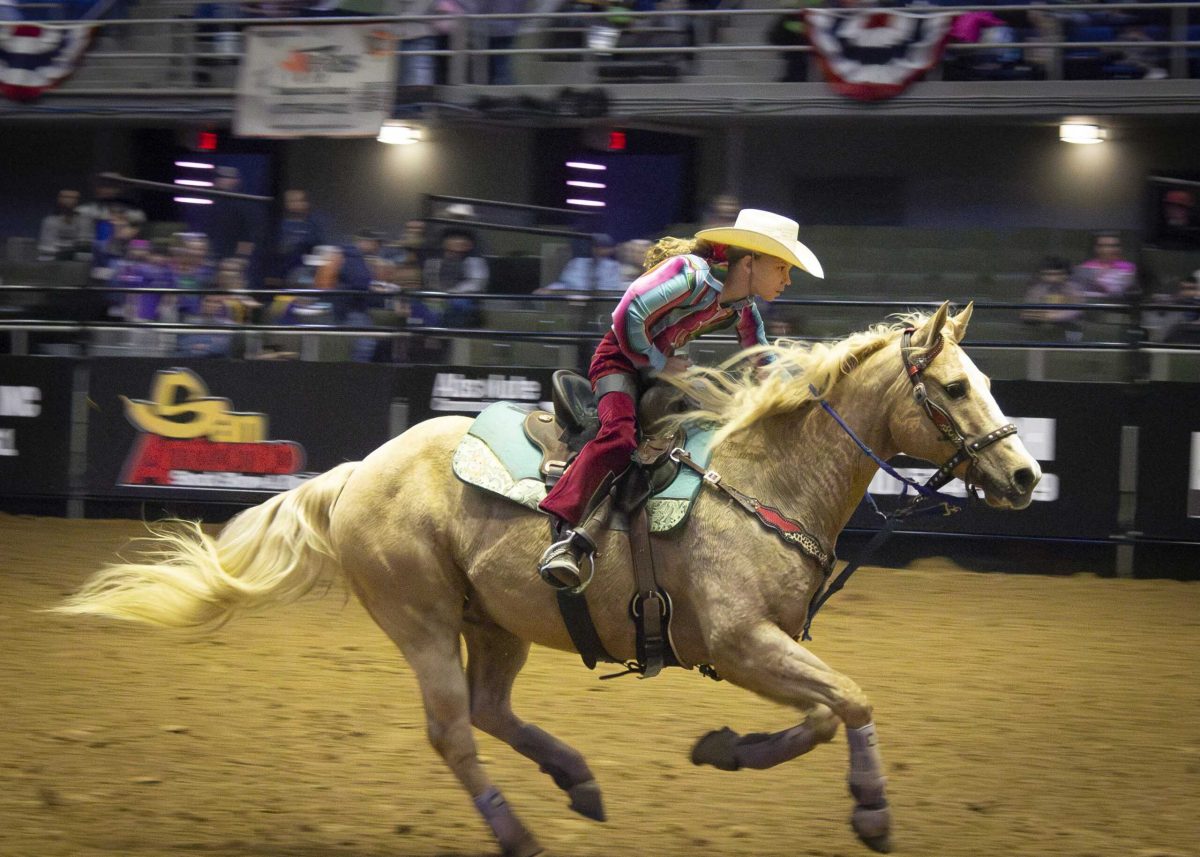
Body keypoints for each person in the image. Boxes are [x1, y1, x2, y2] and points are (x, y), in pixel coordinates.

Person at [536, 208, 823, 588]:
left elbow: (763, 359)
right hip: (618, 361)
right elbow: (627, 315)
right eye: (782, 268)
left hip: (664, 372)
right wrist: (658, 362)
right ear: (750, 262)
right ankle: (564, 530)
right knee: (619, 436)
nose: (787, 280)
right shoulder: (691, 274)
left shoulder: (743, 309)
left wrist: (806, 392)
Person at [1020, 256, 1086, 341]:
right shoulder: (1037, 289)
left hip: (1069, 327)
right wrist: (1041, 316)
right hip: (1042, 327)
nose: (1052, 278)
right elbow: (1028, 311)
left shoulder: (1074, 289)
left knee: (1074, 327)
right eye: (1048, 274)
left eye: (1057, 274)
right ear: (1042, 274)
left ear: (1065, 274)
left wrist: (1051, 316)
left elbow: (1075, 311)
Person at [535, 233, 625, 294]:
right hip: (575, 305)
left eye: (603, 247)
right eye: (596, 246)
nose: (599, 249)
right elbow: (565, 284)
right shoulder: (577, 263)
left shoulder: (613, 267)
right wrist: (549, 289)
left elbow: (610, 290)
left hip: (600, 305)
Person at [1072, 232, 1137, 299]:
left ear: (1119, 249)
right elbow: (1078, 290)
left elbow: (1120, 292)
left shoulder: (1128, 267)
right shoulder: (1086, 266)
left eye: (1113, 246)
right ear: (1096, 248)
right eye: (1103, 246)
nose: (1107, 249)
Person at [37, 189, 93, 261]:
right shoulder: (50, 221)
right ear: (59, 200)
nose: (69, 201)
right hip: (52, 260)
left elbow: (84, 244)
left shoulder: (84, 220)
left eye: (73, 198)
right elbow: (47, 247)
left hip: (77, 260)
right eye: (65, 197)